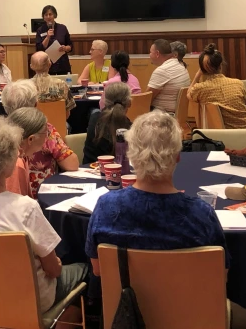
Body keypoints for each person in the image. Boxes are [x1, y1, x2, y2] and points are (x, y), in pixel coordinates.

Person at [0, 116, 88, 324]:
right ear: (7, 164)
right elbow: (53, 269)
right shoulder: (26, 208)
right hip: (28, 298)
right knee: (84, 268)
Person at [86, 110, 230, 276]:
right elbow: (221, 275)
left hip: (127, 300)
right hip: (187, 301)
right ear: (177, 156)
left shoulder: (106, 207)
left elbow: (98, 270)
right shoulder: (202, 214)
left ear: (130, 154)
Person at [1, 79, 79, 197]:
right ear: (35, 105)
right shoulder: (43, 130)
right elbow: (72, 164)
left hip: (5, 196)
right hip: (41, 196)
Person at [187, 43, 246, 129]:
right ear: (221, 65)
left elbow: (188, 94)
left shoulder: (200, 89)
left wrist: (197, 76)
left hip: (221, 135)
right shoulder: (238, 83)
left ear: (202, 70)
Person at [83, 83, 132, 164]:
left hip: (90, 169)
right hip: (121, 172)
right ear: (129, 103)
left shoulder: (94, 118)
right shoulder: (131, 128)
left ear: (105, 102)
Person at [147, 39, 191, 113]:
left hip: (162, 116)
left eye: (150, 52)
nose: (149, 55)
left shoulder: (162, 71)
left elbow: (147, 99)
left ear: (157, 54)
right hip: (177, 113)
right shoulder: (181, 66)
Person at [30, 51, 76, 119]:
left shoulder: (26, 86)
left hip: (34, 127)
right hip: (58, 127)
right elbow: (67, 114)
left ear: (31, 66)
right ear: (50, 64)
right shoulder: (61, 85)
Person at [35, 5, 73, 75]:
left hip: (62, 64)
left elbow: (70, 46)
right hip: (47, 65)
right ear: (43, 17)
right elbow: (39, 48)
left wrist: (65, 48)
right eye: (46, 15)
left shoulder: (62, 28)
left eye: (50, 14)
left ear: (54, 15)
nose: (48, 17)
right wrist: (48, 37)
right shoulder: (40, 30)